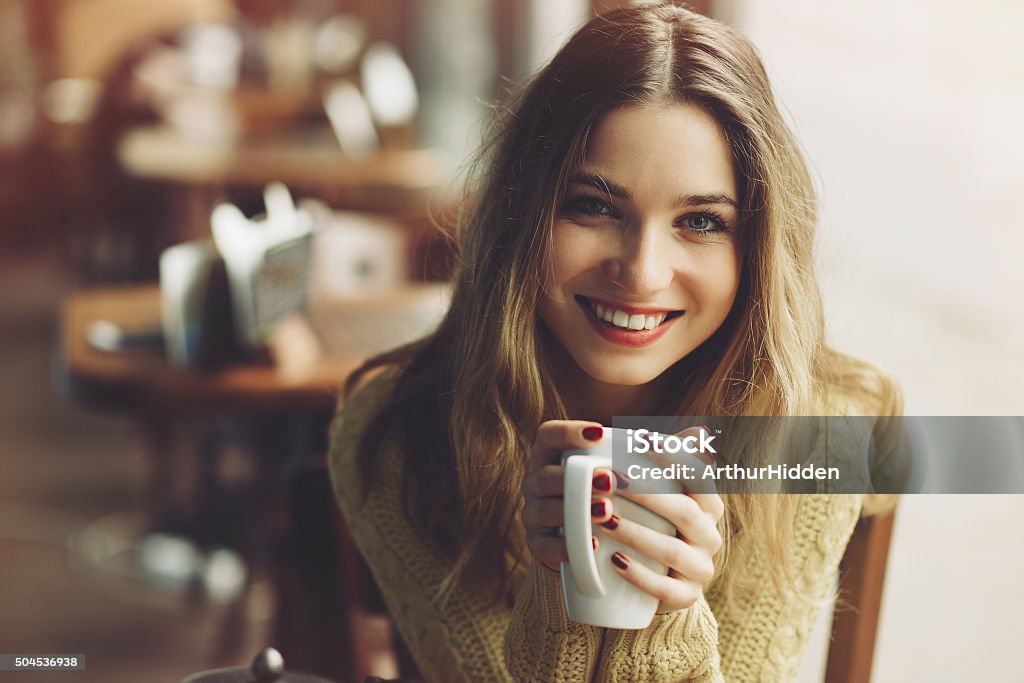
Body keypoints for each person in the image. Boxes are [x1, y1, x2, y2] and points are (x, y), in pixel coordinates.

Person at [329, 3, 900, 681]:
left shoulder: (824, 432)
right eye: (594, 206)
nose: (641, 272)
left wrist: (661, 611)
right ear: (522, 211)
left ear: (759, 250)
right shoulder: (396, 437)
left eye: (700, 220)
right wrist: (571, 589)